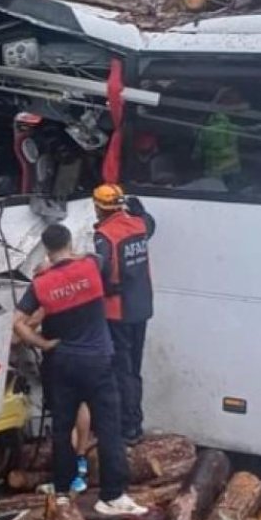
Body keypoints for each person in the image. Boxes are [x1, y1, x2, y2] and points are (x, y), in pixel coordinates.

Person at [12, 223, 147, 515]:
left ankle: (63, 490)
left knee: (61, 429)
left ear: (46, 249)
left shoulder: (40, 285)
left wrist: (42, 344)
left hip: (62, 363)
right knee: (110, 428)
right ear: (69, 242)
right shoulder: (90, 266)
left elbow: (18, 323)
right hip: (99, 361)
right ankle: (112, 496)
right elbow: (94, 257)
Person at [92, 183, 156, 444]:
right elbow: (150, 223)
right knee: (135, 368)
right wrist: (142, 210)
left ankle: (129, 427)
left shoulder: (104, 236)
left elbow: (102, 270)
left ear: (98, 207)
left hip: (117, 311)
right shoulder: (138, 225)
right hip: (141, 306)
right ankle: (133, 422)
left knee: (122, 370)